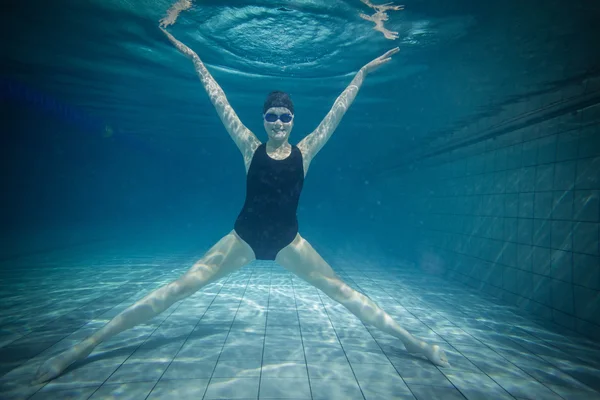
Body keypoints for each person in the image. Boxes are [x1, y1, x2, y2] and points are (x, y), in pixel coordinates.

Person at [35, 26, 448, 383]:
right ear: (263, 119)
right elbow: (219, 101)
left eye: (285, 116)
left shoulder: (307, 149)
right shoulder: (249, 147)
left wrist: (361, 73)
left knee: (345, 293)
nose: (279, 123)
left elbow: (337, 112)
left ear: (293, 120)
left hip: (289, 242)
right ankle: (84, 346)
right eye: (272, 116)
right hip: (243, 238)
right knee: (178, 289)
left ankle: (416, 345)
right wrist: (195, 58)